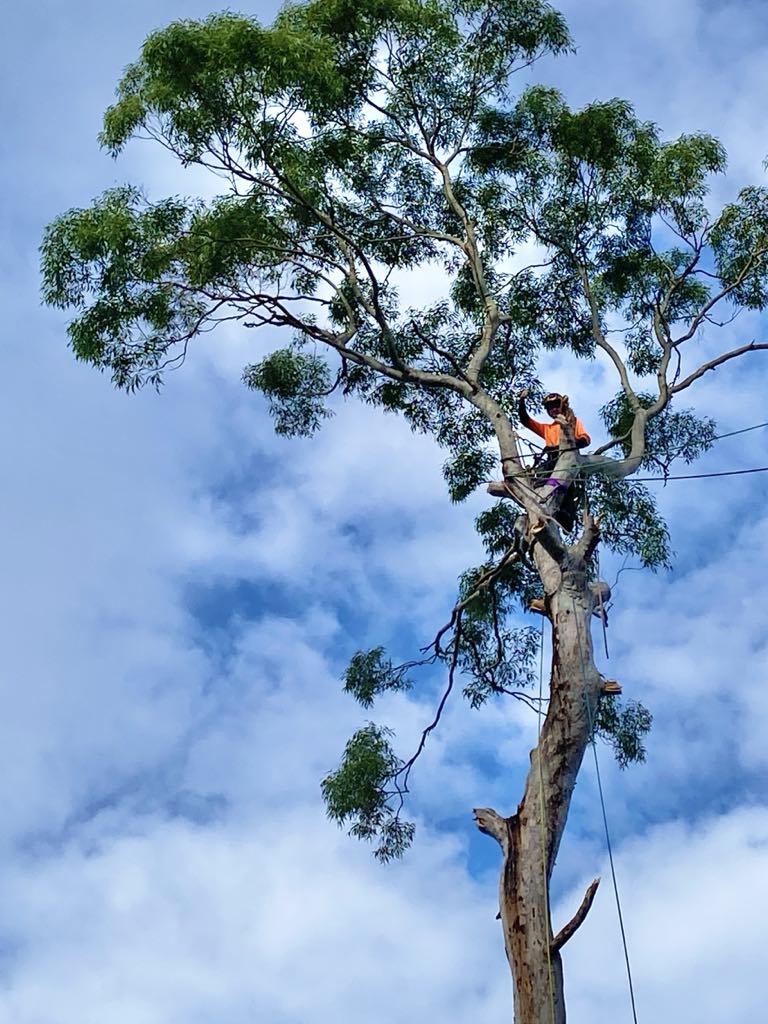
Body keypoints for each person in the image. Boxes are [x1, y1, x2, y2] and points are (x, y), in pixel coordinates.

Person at [517, 389, 591, 533]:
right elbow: (526, 421)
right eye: (550, 408)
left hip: (568, 458)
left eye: (556, 406)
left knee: (565, 487)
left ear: (562, 406)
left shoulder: (573, 422)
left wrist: (571, 442)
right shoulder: (548, 428)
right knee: (544, 485)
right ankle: (539, 513)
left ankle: (566, 515)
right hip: (552, 459)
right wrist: (521, 401)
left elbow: (585, 439)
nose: (553, 409)